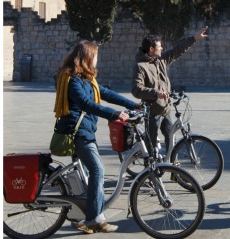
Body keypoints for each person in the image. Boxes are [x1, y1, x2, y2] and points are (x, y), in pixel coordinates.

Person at [53, 41, 139, 234]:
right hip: (77, 133)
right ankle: (94, 218)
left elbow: (105, 93)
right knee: (98, 170)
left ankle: (83, 216)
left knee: (89, 173)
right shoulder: (72, 80)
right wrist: (114, 114)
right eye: (96, 55)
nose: (98, 59)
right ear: (87, 57)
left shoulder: (86, 79)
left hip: (86, 131)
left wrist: (133, 105)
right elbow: (85, 103)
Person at [131, 26, 208, 159]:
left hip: (165, 109)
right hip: (151, 111)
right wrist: (156, 93)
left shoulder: (160, 60)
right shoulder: (140, 67)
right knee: (151, 146)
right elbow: (136, 89)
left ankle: (173, 170)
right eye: (159, 47)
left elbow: (177, 51)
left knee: (171, 139)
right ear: (151, 49)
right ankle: (150, 174)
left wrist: (194, 38)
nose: (161, 48)